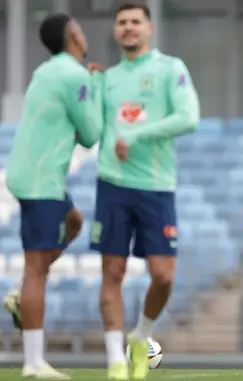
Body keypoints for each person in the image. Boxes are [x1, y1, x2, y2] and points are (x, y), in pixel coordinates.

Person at [89, 2, 199, 380]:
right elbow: (90, 127)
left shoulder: (171, 69)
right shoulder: (106, 78)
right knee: (112, 272)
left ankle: (141, 338)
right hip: (112, 184)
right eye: (121, 22)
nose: (128, 27)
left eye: (135, 21)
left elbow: (189, 117)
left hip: (156, 186)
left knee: (164, 276)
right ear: (115, 31)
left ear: (149, 28)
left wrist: (133, 135)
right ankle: (115, 362)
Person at [2, 13, 101, 379]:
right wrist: (96, 88)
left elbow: (63, 123)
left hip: (32, 175)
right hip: (41, 181)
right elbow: (90, 135)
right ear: (74, 34)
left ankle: (21, 295)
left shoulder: (45, 72)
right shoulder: (75, 75)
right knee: (34, 268)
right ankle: (32, 363)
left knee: (73, 222)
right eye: (82, 27)